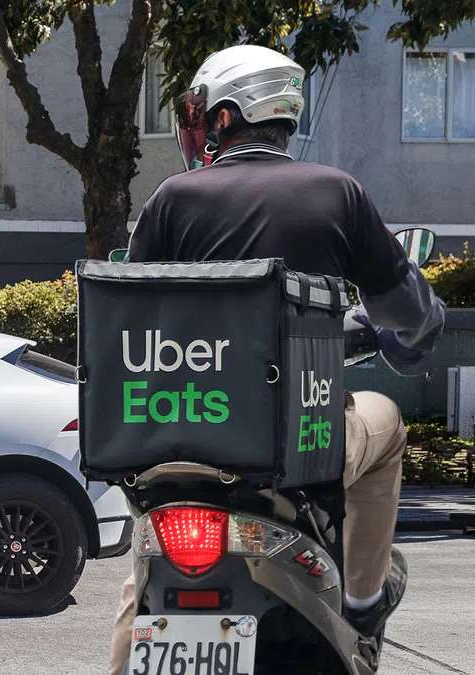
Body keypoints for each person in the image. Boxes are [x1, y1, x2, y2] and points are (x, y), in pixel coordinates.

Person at [107, 44, 446, 673]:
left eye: (199, 112)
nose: (195, 125)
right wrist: (401, 330)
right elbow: (410, 312)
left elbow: (126, 319)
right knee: (388, 423)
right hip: (298, 443)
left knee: (144, 575)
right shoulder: (337, 193)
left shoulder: (171, 199)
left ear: (226, 115)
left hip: (179, 441)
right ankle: (363, 605)